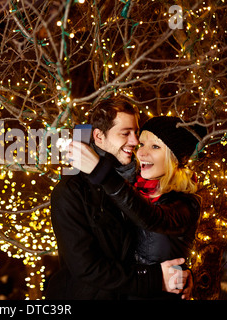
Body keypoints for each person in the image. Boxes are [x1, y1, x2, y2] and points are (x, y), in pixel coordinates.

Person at [45, 99, 191, 300]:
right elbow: (87, 268)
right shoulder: (71, 191)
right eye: (125, 133)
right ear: (98, 136)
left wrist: (180, 274)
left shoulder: (142, 184)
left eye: (135, 133)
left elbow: (156, 235)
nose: (134, 141)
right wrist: (156, 279)